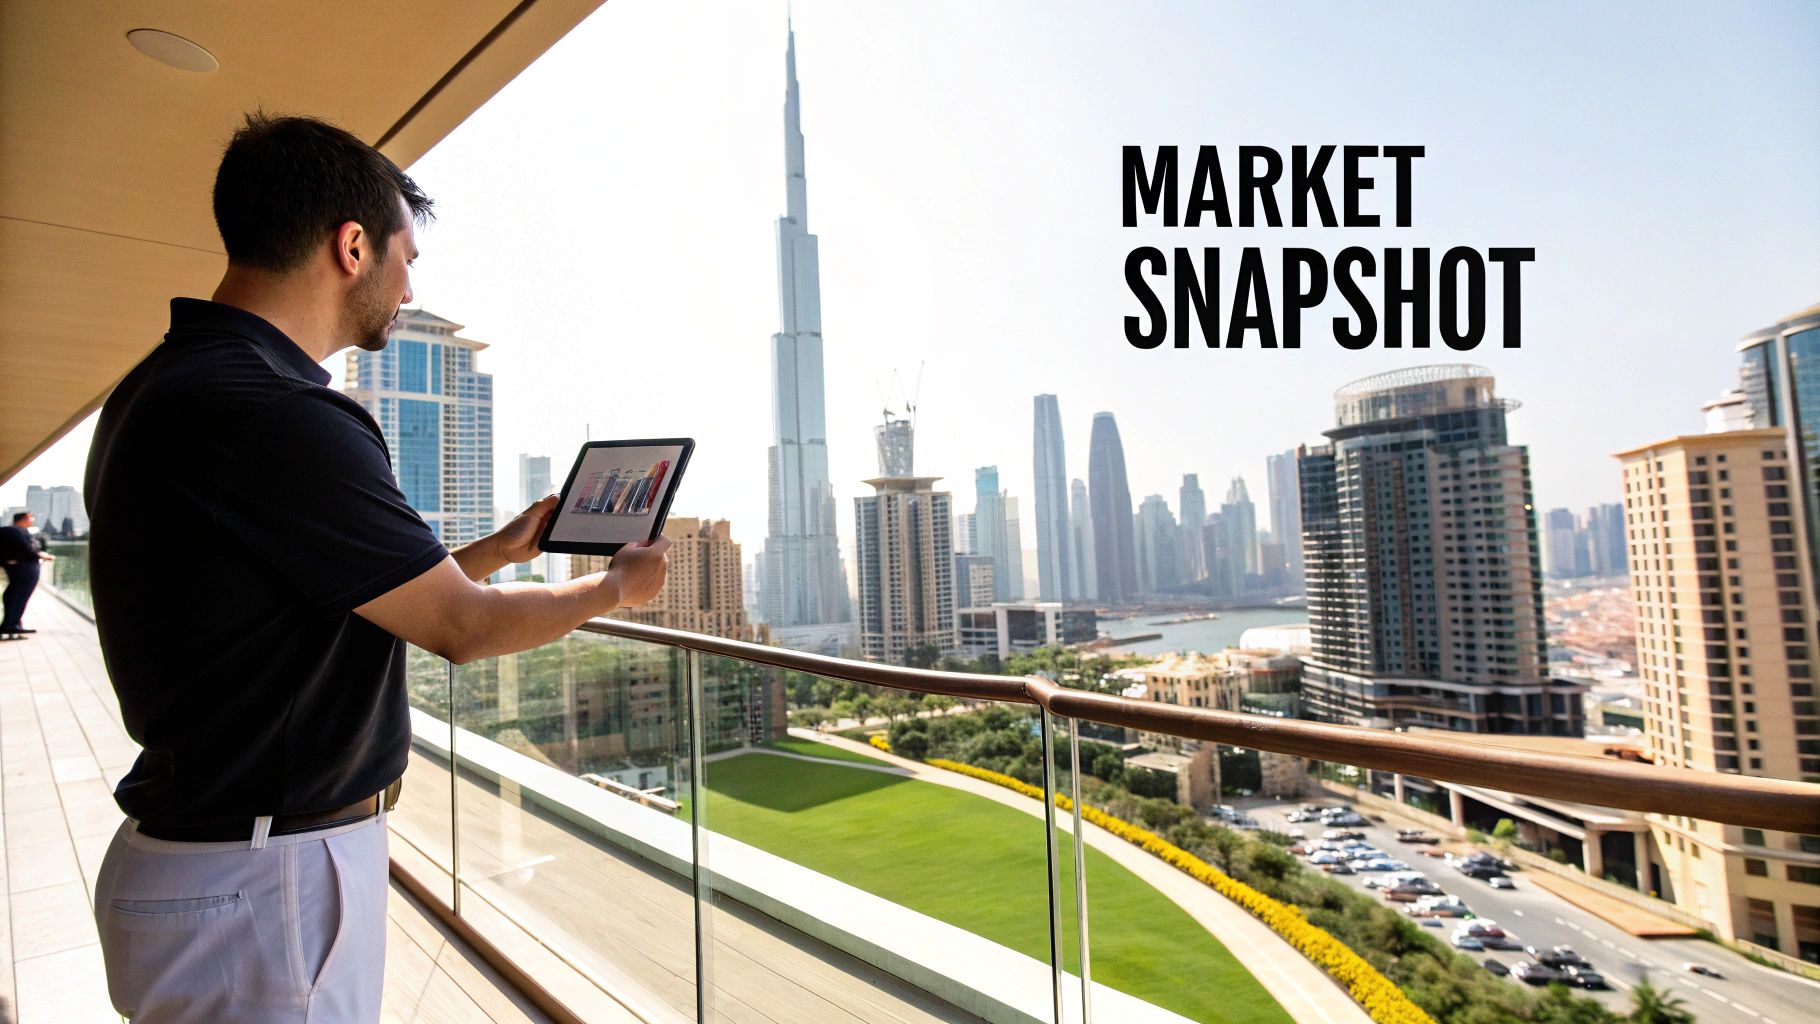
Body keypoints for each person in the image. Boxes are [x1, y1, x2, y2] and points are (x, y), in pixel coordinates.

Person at [83, 113, 671, 1023]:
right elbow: (464, 629)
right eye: (407, 256)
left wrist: (493, 552)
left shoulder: (163, 386)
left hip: (211, 863)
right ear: (351, 246)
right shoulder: (281, 412)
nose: (410, 285)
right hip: (262, 888)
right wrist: (616, 587)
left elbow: (319, 600)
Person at [0, 510, 53, 639]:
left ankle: (13, 625)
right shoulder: (16, 531)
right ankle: (10, 626)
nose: (32, 520)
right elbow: (27, 548)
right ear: (23, 519)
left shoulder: (13, 531)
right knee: (18, 596)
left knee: (14, 595)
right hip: (25, 570)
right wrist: (40, 555)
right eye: (30, 518)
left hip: (22, 569)